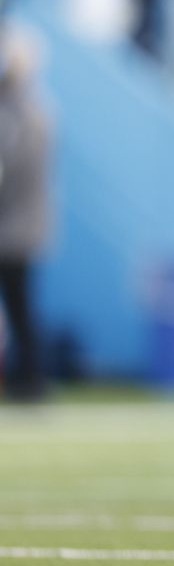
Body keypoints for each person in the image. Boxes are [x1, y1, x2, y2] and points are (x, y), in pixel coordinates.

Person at [0, 29, 50, 402]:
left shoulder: (18, 113)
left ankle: (29, 381)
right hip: (25, 225)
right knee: (21, 309)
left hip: (14, 228)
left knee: (20, 309)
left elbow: (10, 170)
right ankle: (28, 380)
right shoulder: (37, 109)